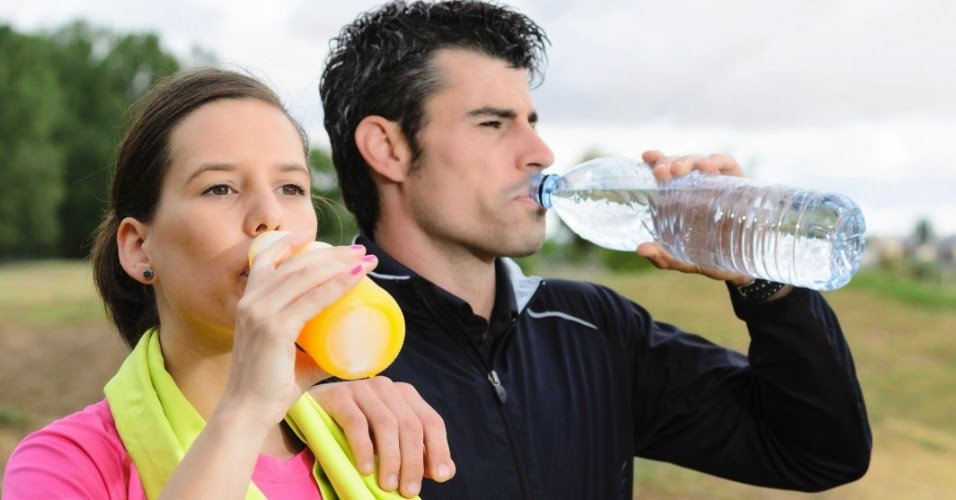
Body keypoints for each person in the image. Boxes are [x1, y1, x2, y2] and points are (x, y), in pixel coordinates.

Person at [318, 1, 872, 498]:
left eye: (532, 122)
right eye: (492, 123)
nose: (540, 151)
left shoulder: (591, 326)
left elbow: (819, 453)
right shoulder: (309, 352)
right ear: (388, 149)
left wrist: (760, 280)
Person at [2, 68, 454, 499]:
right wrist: (246, 410)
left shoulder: (360, 437)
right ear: (139, 248)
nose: (270, 217)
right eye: (220, 188)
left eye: (291, 188)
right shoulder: (68, 464)